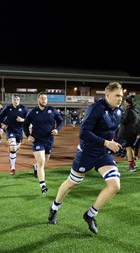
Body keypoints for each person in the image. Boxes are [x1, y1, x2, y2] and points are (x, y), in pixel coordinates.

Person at [47, 82, 123, 234]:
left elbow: (113, 130)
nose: (120, 98)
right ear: (107, 95)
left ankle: (90, 214)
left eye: (121, 95)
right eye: (117, 95)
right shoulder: (95, 109)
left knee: (115, 185)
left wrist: (118, 143)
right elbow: (84, 133)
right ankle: (54, 207)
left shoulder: (119, 111)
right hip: (86, 153)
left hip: (103, 154)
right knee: (71, 183)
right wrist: (107, 142)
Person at [23, 92, 64, 194]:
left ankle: (35, 167)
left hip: (49, 140)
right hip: (37, 140)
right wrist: (28, 135)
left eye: (45, 98)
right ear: (38, 100)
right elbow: (25, 125)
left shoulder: (52, 110)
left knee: (44, 162)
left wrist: (57, 130)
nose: (44, 100)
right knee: (41, 162)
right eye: (42, 98)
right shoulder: (32, 112)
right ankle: (43, 185)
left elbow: (61, 121)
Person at [0, 95, 29, 176]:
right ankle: (13, 167)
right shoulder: (8, 108)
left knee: (16, 148)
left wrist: (22, 120)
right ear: (12, 100)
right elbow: (0, 116)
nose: (16, 101)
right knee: (13, 147)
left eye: (18, 99)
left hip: (19, 131)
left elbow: (29, 119)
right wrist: (2, 124)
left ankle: (12, 156)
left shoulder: (24, 108)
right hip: (10, 129)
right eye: (14, 99)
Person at [117, 95, 140, 172]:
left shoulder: (129, 111)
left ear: (128, 103)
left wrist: (120, 116)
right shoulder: (135, 111)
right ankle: (133, 164)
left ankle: (131, 166)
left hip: (129, 133)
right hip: (132, 132)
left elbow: (124, 121)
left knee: (128, 148)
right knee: (131, 148)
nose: (124, 102)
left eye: (125, 101)